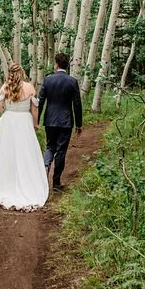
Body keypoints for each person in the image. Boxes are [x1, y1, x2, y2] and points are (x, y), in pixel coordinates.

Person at [0, 63, 49, 210]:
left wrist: (5, 114)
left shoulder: (4, 87)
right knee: (26, 152)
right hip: (24, 122)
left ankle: (6, 184)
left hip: (8, 122)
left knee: (7, 153)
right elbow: (35, 109)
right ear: (22, 73)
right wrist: (35, 124)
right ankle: (28, 183)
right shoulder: (29, 87)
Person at [38, 52, 83, 191]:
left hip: (50, 120)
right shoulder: (72, 81)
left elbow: (41, 101)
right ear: (66, 65)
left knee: (50, 146)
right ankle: (56, 183)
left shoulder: (48, 80)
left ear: (56, 64)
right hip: (65, 121)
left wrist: (37, 119)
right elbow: (77, 104)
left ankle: (46, 166)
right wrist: (79, 124)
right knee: (61, 150)